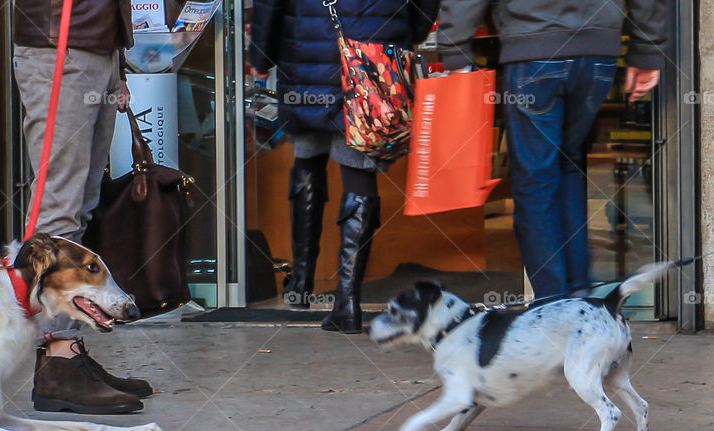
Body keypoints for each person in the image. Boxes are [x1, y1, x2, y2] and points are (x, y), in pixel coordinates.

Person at [438, 0, 666, 300]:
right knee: (568, 164)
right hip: (596, 54)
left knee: (535, 182)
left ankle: (552, 305)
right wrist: (648, 49)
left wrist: (455, 52)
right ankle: (578, 294)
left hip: (534, 48)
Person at [250, 0, 438, 333]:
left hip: (306, 50)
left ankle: (300, 285)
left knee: (307, 156)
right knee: (358, 166)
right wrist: (410, 32)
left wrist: (261, 58)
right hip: (374, 56)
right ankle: (348, 300)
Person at [13, 0, 153, 414]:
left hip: (98, 47)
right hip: (61, 46)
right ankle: (58, 362)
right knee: (58, 210)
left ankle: (68, 350)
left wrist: (118, 64)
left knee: (81, 206)